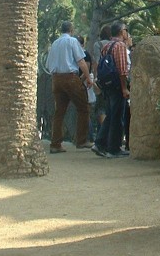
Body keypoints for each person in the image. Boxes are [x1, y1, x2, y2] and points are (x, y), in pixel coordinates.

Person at [45, 21, 94, 153]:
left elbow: (48, 65)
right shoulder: (73, 42)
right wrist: (88, 78)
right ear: (71, 30)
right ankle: (81, 140)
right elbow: (81, 61)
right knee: (83, 107)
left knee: (59, 112)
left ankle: (55, 144)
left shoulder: (54, 44)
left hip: (56, 78)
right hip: (70, 77)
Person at [92, 20, 130, 158]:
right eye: (126, 30)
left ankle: (100, 142)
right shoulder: (119, 46)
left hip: (107, 85)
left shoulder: (106, 46)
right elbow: (122, 70)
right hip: (116, 85)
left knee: (110, 114)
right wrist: (124, 88)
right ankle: (113, 149)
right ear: (121, 32)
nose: (127, 32)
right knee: (117, 117)